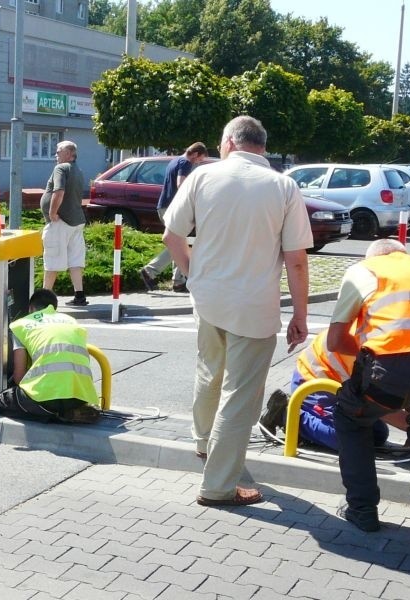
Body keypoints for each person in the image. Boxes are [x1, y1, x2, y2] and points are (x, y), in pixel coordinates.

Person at [163, 116, 312, 507]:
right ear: (261, 146)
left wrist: (193, 275)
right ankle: (217, 486)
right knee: (240, 393)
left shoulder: (201, 177)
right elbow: (296, 260)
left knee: (209, 371)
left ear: (229, 142)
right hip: (255, 305)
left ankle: (202, 443)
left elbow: (171, 235)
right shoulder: (283, 186)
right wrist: (300, 315)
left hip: (208, 298)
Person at [327, 238, 410, 534]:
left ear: (374, 255)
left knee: (352, 418)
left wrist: (372, 357)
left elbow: (335, 341)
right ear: (402, 254)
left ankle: (362, 508)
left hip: (389, 367)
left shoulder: (364, 270)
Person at [259, 242, 410, 451]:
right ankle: (287, 413)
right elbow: (378, 397)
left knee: (378, 434)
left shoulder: (387, 305)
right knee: (353, 441)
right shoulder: (374, 324)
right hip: (315, 381)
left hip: (341, 382)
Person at [0, 288, 100, 423]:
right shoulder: (71, 321)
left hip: (45, 398)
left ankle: (57, 415)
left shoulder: (21, 325)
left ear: (31, 308)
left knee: (2, 401)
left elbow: (18, 376)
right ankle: (69, 411)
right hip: (80, 396)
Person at [140, 142, 208, 293]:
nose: (198, 162)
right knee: (177, 243)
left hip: (164, 206)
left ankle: (178, 281)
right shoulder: (185, 163)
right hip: (173, 208)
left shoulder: (175, 160)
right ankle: (149, 271)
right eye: (200, 159)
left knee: (180, 240)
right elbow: (181, 183)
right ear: (195, 154)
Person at [40, 141, 89, 306]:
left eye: (58, 151)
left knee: (52, 259)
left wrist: (52, 212)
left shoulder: (61, 168)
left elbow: (59, 192)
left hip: (61, 222)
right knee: (75, 260)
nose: (56, 154)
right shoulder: (78, 170)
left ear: (69, 153)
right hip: (76, 222)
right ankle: (79, 296)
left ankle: (44, 299)